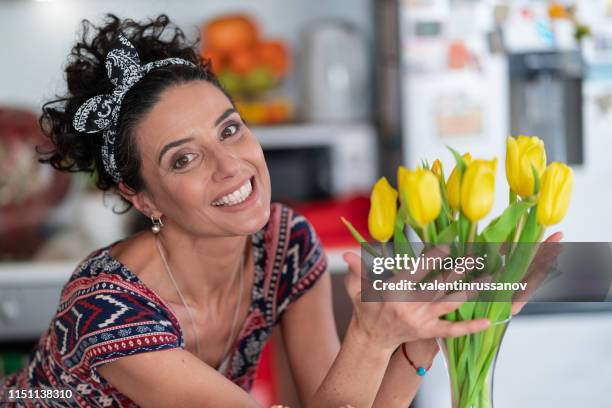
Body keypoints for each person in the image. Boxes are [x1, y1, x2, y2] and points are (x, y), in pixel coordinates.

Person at [2, 14, 503, 408]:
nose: (230, 166)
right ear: (143, 197)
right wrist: (371, 338)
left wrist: (420, 337)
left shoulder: (282, 244)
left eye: (229, 130)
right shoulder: (110, 313)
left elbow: (333, 403)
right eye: (184, 158)